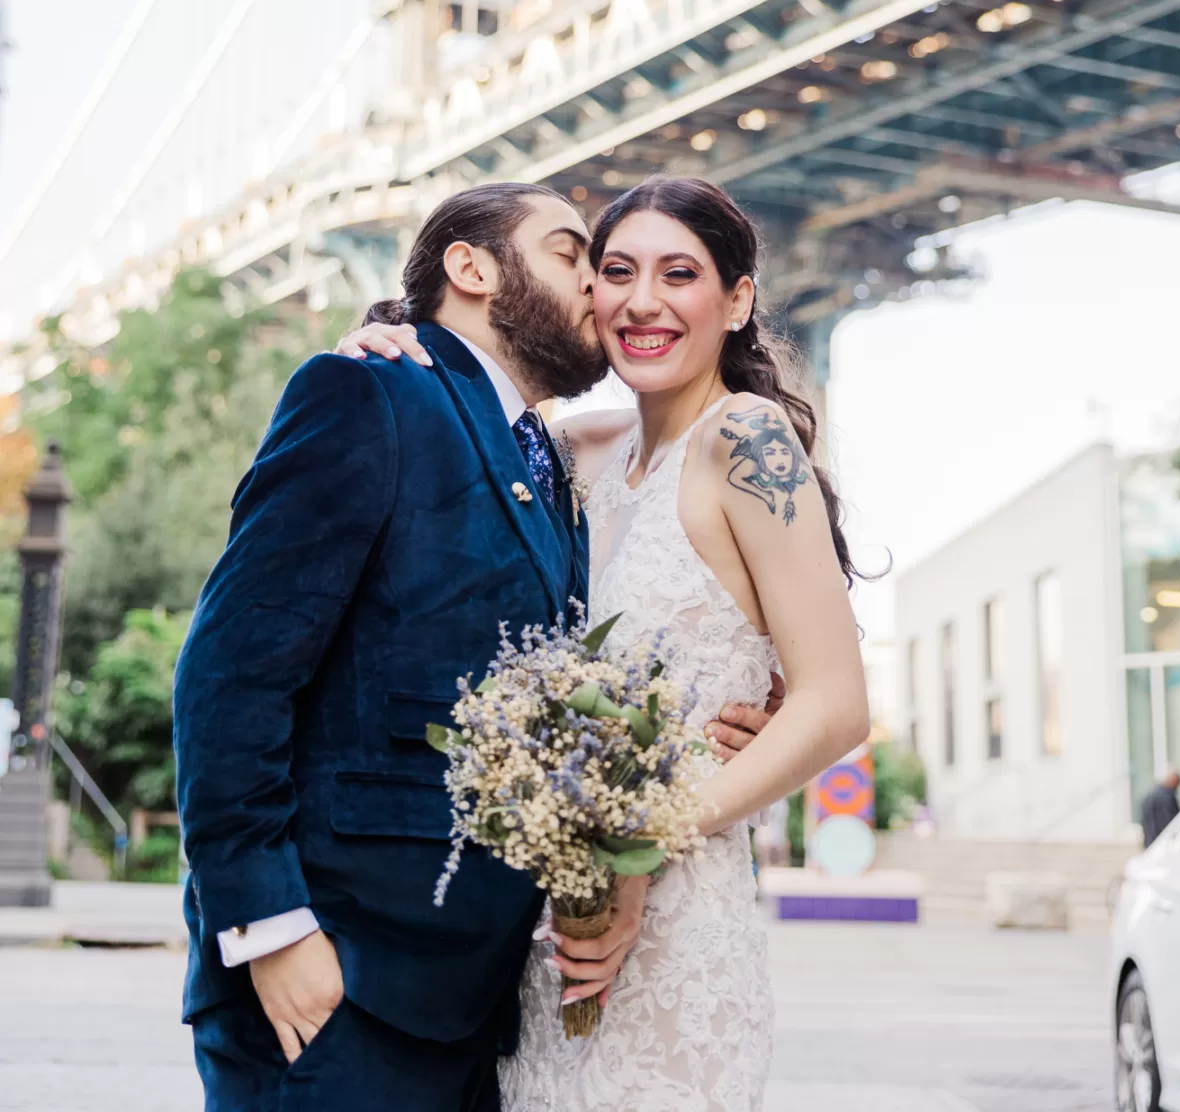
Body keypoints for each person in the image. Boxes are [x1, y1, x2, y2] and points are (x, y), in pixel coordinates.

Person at [174, 180, 771, 1112]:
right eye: (576, 256)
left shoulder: (555, 467)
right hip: (338, 981)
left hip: (484, 1008)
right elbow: (228, 676)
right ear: (472, 268)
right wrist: (270, 924)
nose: (605, 291)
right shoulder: (367, 392)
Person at [342, 175, 870, 1110]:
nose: (642, 301)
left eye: (680, 274)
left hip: (678, 922)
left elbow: (834, 705)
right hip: (546, 931)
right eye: (616, 270)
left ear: (737, 300)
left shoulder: (747, 444)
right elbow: (459, 400)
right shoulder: (572, 452)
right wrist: (385, 343)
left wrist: (635, 840)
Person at [1141, 767, 1180, 848]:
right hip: (1163, 843)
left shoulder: (1150, 795)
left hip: (1150, 842)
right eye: (1178, 781)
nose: (1179, 785)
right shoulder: (1167, 797)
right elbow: (1171, 822)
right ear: (1172, 780)